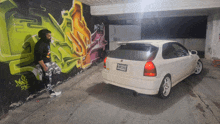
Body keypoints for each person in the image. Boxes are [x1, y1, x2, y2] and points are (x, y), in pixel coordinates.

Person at [34, 29, 61, 97]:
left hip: (48, 62)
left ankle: (49, 86)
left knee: (58, 70)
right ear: (44, 36)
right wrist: (44, 67)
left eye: (50, 35)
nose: (50, 37)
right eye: (48, 35)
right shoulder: (39, 45)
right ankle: (51, 93)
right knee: (47, 78)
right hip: (44, 64)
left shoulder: (46, 42)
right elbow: (39, 58)